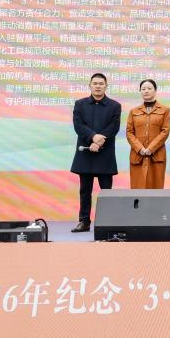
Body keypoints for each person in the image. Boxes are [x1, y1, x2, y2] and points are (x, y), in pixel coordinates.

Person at [70, 73, 121, 233]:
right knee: (85, 190)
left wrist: (98, 141)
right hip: (85, 152)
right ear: (90, 86)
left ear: (106, 86)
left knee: (106, 191)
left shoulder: (115, 106)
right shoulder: (80, 104)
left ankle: (108, 221)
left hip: (105, 153)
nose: (98, 86)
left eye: (101, 83)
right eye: (95, 83)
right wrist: (93, 137)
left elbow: (114, 127)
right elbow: (78, 125)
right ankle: (84, 221)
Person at [126, 79, 170, 189]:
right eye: (143, 89)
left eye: (149, 88)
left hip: (157, 155)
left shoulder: (165, 110)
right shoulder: (133, 111)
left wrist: (151, 148)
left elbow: (165, 131)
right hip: (138, 155)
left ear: (155, 90)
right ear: (140, 91)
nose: (146, 91)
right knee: (138, 188)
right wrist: (140, 148)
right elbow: (129, 132)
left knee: (156, 188)